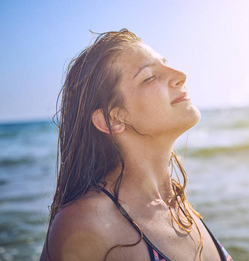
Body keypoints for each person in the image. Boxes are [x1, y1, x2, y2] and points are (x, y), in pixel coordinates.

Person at [40, 29, 233, 261]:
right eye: (150, 76)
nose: (181, 75)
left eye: (166, 64)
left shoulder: (180, 207)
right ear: (114, 119)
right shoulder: (87, 223)